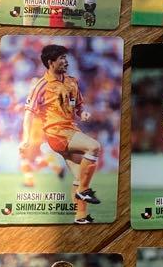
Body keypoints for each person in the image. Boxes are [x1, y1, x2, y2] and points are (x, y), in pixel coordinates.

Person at [21, 43, 103, 224]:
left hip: (71, 129)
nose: (66, 61)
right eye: (62, 58)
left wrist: (83, 113)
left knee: (80, 176)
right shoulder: (41, 85)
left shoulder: (72, 81)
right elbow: (29, 112)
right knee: (94, 147)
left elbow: (79, 106)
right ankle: (83, 190)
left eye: (66, 58)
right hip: (56, 132)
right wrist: (26, 138)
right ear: (51, 62)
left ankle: (80, 217)